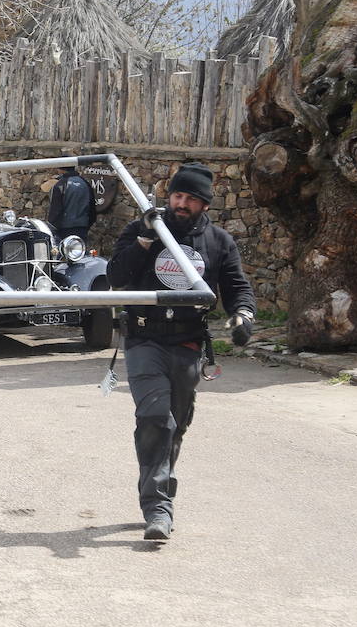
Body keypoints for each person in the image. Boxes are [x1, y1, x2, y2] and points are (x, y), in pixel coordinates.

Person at [107, 163, 255, 542]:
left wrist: (243, 314)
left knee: (176, 425)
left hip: (187, 343)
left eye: (190, 198)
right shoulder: (145, 229)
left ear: (204, 204)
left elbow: (237, 285)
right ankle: (157, 508)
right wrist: (143, 238)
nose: (181, 203)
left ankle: (159, 484)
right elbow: (116, 276)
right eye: (176, 195)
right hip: (143, 340)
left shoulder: (219, 242)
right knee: (155, 417)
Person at [48, 164, 96, 242]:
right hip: (82, 227)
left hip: (64, 229)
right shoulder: (85, 183)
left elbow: (56, 210)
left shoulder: (60, 184)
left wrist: (52, 227)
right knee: (80, 251)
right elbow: (92, 208)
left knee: (64, 252)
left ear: (60, 169)